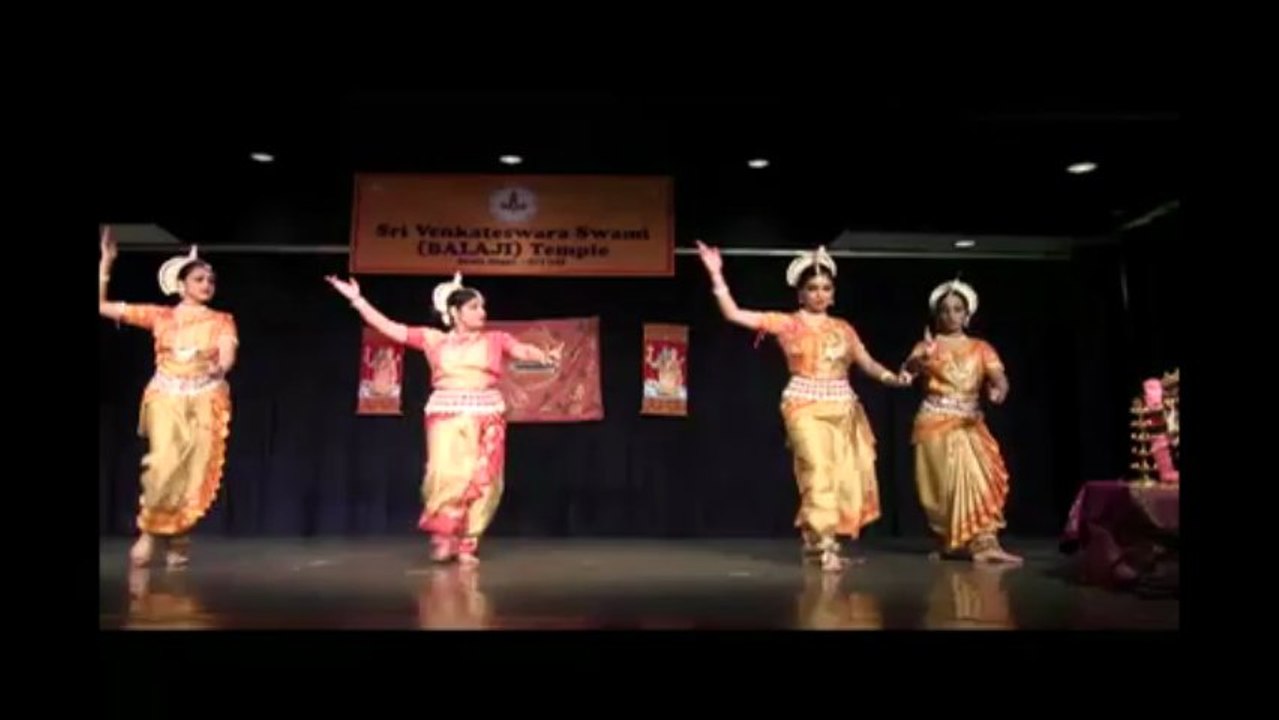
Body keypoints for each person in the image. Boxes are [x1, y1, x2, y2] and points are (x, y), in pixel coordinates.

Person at [695, 241, 911, 572]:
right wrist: (716, 275)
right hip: (803, 404)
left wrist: (890, 378)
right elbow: (734, 314)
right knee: (817, 470)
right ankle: (823, 544)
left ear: (833, 293)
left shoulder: (844, 328)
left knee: (842, 475)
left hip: (843, 407)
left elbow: (864, 362)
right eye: (812, 288)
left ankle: (819, 543)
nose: (820, 294)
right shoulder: (787, 323)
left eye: (826, 288)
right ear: (800, 294)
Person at [326, 272, 561, 565]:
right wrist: (358, 300)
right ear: (455, 312)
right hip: (446, 412)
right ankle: (443, 537)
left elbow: (521, 349)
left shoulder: (496, 339)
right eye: (474, 307)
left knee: (484, 478)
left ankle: (467, 543)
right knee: (446, 475)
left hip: (486, 413)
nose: (482, 313)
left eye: (482, 307)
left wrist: (541, 355)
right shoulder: (433, 339)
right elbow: (390, 328)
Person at [98, 229, 238, 569]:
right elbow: (101, 306)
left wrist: (221, 363)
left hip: (206, 398)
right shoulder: (160, 316)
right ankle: (148, 533)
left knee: (193, 473)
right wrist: (106, 265)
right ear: (181, 285)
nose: (207, 284)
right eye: (199, 279)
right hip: (166, 397)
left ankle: (178, 534)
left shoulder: (222, 320)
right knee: (163, 464)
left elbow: (228, 353)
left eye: (210, 280)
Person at [900, 278, 1022, 564]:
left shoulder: (981, 348)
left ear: (967, 315)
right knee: (942, 488)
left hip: (969, 424)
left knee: (980, 479)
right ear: (936, 315)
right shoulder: (926, 345)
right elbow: (906, 374)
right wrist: (920, 361)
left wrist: (998, 390)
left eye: (957, 310)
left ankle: (984, 542)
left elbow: (999, 378)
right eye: (945, 310)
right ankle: (952, 543)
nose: (951, 315)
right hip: (933, 422)